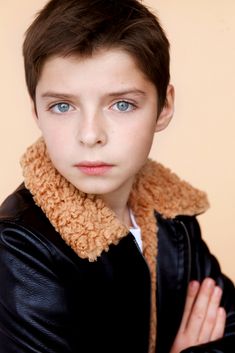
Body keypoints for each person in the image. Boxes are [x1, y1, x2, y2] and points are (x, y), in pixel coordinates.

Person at [0, 0, 234, 352]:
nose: (90, 135)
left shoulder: (172, 217)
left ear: (163, 107)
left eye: (122, 104)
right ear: (36, 110)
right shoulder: (20, 248)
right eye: (62, 106)